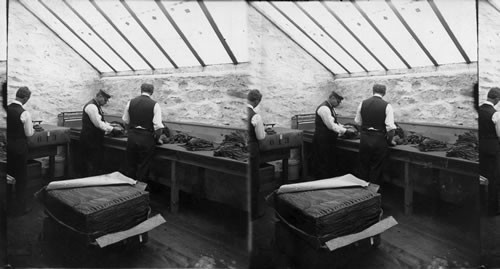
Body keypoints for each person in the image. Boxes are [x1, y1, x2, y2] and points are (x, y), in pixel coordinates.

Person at [355, 84, 396, 184]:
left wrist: (364, 133)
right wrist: (390, 141)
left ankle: (361, 195)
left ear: (373, 91)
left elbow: (358, 122)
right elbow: (390, 128)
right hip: (379, 140)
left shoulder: (362, 103)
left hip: (364, 139)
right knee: (376, 167)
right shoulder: (387, 106)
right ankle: (373, 194)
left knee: (363, 165)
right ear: (384, 92)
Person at [122, 83, 164, 182]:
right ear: (152, 92)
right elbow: (158, 126)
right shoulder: (155, 105)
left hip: (132, 137)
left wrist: (129, 132)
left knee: (130, 164)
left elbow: (125, 121)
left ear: (141, 90)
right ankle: (141, 191)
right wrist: (157, 139)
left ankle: (129, 192)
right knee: (143, 166)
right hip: (146, 138)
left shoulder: (130, 102)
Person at [6, 86, 34, 216]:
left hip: (6, 147)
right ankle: (20, 208)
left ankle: (7, 206)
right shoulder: (24, 113)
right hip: (19, 148)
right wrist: (33, 129)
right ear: (25, 98)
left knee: (7, 177)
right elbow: (29, 133)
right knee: (21, 178)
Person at [312, 90, 351, 179]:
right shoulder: (324, 108)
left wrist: (343, 127)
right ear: (332, 98)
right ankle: (322, 182)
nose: (339, 103)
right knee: (323, 162)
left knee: (328, 161)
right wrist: (345, 131)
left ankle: (327, 179)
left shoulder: (330, 107)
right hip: (322, 140)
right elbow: (331, 126)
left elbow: (334, 122)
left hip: (327, 140)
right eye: (338, 101)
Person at [80, 89, 115, 176]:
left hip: (94, 139)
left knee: (95, 162)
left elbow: (100, 120)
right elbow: (98, 124)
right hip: (90, 139)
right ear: (99, 96)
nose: (106, 102)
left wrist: (110, 125)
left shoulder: (97, 106)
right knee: (91, 162)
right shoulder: (92, 106)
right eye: (105, 100)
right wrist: (112, 129)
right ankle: (89, 180)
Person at [478, 87, 500, 216]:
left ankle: (480, 205)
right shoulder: (495, 113)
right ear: (496, 98)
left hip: (480, 147)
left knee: (480, 176)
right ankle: (493, 209)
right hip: (492, 149)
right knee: (494, 179)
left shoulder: (478, 110)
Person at [247, 89, 266, 221]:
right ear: (257, 101)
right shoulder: (255, 116)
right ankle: (253, 213)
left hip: (240, 148)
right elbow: (260, 136)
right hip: (252, 150)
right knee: (253, 181)